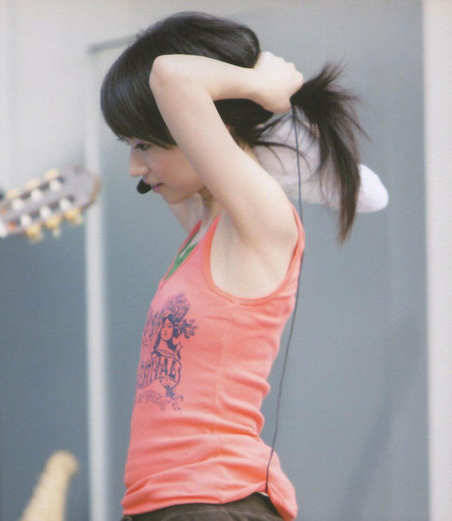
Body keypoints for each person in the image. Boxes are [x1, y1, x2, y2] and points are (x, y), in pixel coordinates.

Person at [101, 11, 387, 521]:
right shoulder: (206, 224)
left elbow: (171, 75)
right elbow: (181, 95)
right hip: (167, 504)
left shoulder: (257, 222)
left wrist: (261, 87)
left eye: (144, 145)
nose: (134, 168)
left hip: (214, 502)